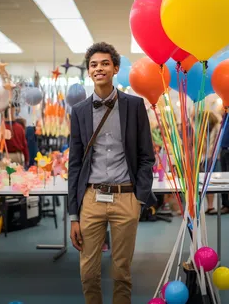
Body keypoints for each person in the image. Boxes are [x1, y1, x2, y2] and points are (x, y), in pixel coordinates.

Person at [68, 42, 156, 304]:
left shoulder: (134, 106)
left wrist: (139, 198)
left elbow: (146, 156)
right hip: (91, 199)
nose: (99, 68)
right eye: (93, 64)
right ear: (89, 71)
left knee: (122, 271)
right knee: (88, 270)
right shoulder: (80, 111)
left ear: (115, 68)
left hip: (125, 197)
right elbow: (74, 163)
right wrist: (74, 213)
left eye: (105, 63)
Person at [205, 111, 220, 215]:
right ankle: (210, 206)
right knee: (208, 183)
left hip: (210, 158)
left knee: (208, 183)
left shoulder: (213, 129)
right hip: (211, 158)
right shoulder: (215, 129)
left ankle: (210, 206)